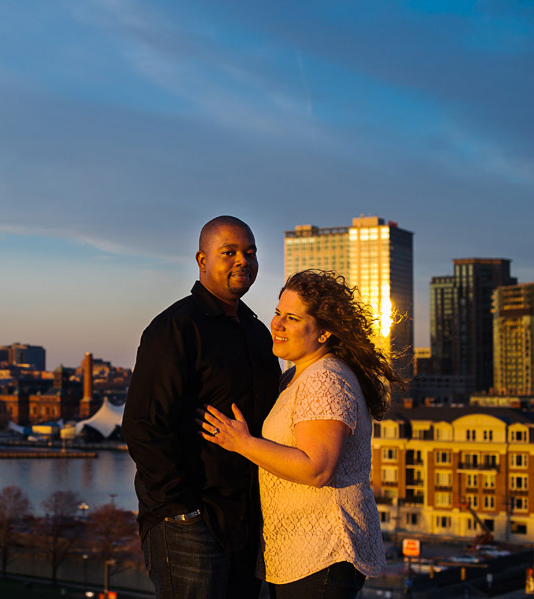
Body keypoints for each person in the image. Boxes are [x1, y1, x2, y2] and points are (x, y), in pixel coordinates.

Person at [199, 269, 402, 599]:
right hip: (303, 556)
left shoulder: (325, 379)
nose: (277, 324)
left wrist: (241, 442)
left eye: (292, 318)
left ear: (323, 333)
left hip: (323, 554)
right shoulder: (298, 377)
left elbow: (316, 468)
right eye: (278, 313)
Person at [122, 216, 281, 599]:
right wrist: (183, 511)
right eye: (229, 252)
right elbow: (143, 427)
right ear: (202, 259)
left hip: (247, 523)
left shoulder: (257, 332)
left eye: (250, 252)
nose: (243, 260)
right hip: (190, 524)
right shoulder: (176, 327)